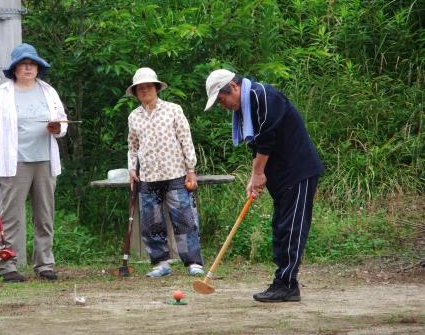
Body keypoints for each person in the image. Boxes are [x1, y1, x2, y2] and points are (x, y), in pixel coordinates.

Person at [204, 69, 324, 302]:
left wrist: (258, 173)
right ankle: (283, 282)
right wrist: (255, 177)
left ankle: (287, 285)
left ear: (234, 87)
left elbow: (267, 138)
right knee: (280, 228)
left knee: (291, 229)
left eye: (222, 99)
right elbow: (258, 145)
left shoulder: (264, 97)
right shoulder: (250, 106)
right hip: (282, 177)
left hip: (298, 171)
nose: (223, 106)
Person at [0, 43, 68, 282]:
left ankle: (44, 264)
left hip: (45, 160)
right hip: (15, 162)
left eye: (33, 64)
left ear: (38, 68)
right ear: (15, 69)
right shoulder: (2, 93)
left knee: (44, 215)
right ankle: (7, 265)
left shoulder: (48, 91)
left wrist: (57, 128)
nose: (29, 67)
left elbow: (62, 123)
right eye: (24, 64)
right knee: (11, 216)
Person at [126, 67, 204, 277]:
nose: (145, 91)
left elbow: (185, 139)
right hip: (148, 176)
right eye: (140, 88)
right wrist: (132, 169)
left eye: (148, 87)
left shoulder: (173, 109)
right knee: (151, 222)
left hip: (176, 173)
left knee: (184, 219)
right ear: (135, 93)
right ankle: (161, 263)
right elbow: (133, 146)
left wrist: (191, 169)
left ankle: (193, 262)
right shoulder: (134, 117)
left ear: (156, 88)